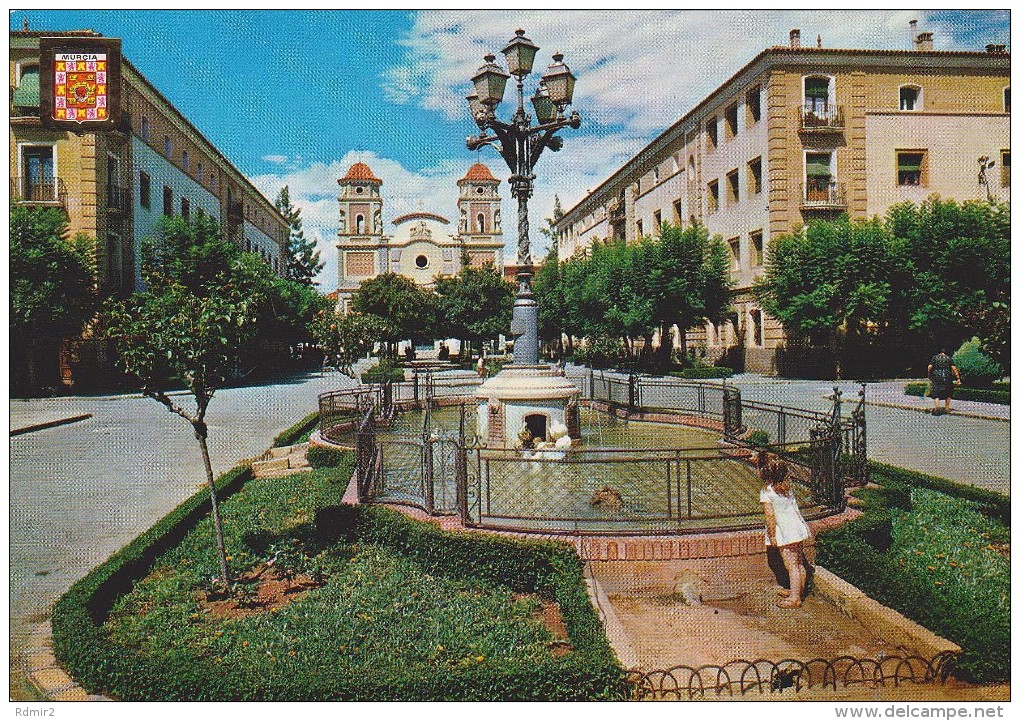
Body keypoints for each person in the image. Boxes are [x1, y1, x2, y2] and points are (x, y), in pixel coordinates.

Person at [759, 456, 812, 608]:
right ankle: (798, 590)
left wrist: (773, 534)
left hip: (785, 531)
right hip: (797, 528)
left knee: (791, 565)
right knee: (799, 562)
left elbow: (770, 515)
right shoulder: (788, 489)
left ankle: (795, 598)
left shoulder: (767, 492)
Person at [927, 349, 961, 416]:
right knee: (948, 391)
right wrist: (958, 378)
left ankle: (937, 407)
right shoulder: (949, 358)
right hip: (947, 377)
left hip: (936, 377)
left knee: (936, 392)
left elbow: (929, 367)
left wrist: (929, 374)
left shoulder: (935, 358)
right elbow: (954, 368)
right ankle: (947, 408)